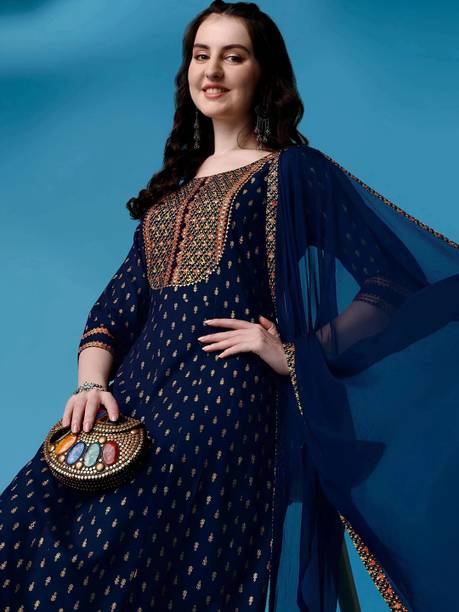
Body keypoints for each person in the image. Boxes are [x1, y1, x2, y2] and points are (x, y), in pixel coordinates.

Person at [1, 2, 459, 611]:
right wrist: (90, 387)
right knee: (24, 530)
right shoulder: (170, 197)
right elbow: (112, 312)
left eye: (233, 56)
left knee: (141, 568)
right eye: (201, 55)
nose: (212, 71)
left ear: (262, 72)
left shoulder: (292, 172)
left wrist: (297, 352)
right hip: (132, 400)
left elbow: (389, 283)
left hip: (221, 404)